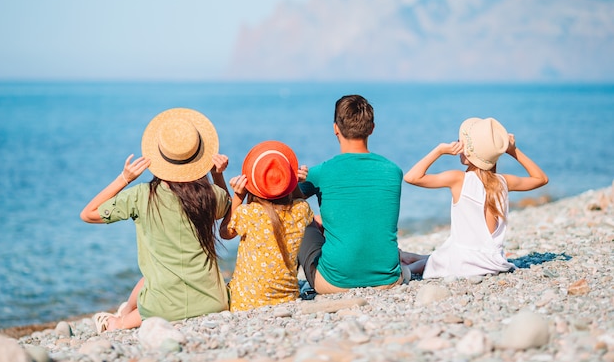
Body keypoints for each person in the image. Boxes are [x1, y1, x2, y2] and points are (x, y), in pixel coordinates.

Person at [80, 108, 232, 332]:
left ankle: (118, 320)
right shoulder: (210, 195)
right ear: (197, 157)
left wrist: (124, 178)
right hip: (213, 302)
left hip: (163, 308)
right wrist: (218, 175)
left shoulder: (141, 195)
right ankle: (123, 312)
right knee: (153, 279)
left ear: (161, 156)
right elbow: (227, 210)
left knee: (138, 296)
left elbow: (88, 213)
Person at [400, 117, 548, 278]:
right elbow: (541, 179)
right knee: (443, 253)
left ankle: (407, 264)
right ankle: (411, 257)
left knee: (431, 261)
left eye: (460, 142)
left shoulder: (458, 179)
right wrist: (513, 151)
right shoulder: (503, 182)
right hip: (493, 262)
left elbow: (411, 177)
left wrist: (439, 151)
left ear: (470, 152)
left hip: (462, 263)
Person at [297, 94, 406, 295]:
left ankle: (281, 284)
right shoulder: (393, 171)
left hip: (334, 282)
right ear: (372, 128)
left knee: (302, 221)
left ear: (335, 129)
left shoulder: (322, 172)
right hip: (388, 280)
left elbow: (285, 201)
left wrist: (295, 181)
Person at [220, 141, 314, 311]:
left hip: (246, 302)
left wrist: (238, 197)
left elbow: (225, 232)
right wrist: (293, 184)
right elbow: (298, 201)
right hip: (287, 298)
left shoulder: (250, 213)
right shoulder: (301, 209)